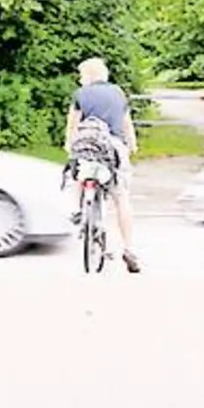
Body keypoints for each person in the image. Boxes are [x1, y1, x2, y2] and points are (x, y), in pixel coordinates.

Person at [64, 57, 141, 273]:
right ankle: (128, 248)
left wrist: (69, 146)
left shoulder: (81, 94)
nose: (80, 81)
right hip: (113, 148)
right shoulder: (118, 93)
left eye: (81, 76)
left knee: (78, 173)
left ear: (88, 76)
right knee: (121, 197)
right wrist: (132, 145)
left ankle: (78, 210)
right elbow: (127, 124)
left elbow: (73, 126)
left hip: (87, 146)